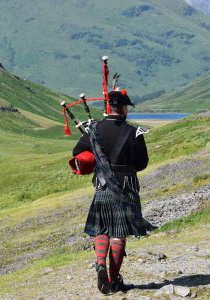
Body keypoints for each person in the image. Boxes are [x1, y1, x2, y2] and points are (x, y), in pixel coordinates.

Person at [73, 90, 156, 294]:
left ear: (108, 108)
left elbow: (77, 153)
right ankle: (113, 280)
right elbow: (142, 163)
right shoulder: (134, 131)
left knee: (102, 229)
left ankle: (100, 262)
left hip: (102, 185)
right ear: (124, 108)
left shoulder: (94, 129)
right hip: (126, 187)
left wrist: (99, 161)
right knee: (118, 235)